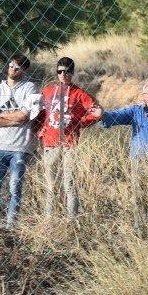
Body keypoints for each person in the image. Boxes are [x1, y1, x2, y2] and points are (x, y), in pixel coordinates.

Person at [90, 79, 148, 223]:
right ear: (143, 96)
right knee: (139, 196)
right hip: (139, 162)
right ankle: (140, 227)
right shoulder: (135, 111)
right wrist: (103, 115)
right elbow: (117, 116)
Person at [0, 55, 43, 229]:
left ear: (24, 71)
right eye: (11, 65)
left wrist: (0, 116)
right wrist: (14, 119)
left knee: (14, 189)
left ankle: (11, 227)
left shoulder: (30, 88)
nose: (12, 69)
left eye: (17, 68)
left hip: (20, 146)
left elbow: (25, 115)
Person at [38, 57, 99, 218]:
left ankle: (71, 220)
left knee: (69, 184)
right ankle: (49, 219)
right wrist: (39, 130)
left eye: (67, 71)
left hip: (69, 144)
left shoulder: (79, 93)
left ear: (72, 73)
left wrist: (79, 122)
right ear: (57, 72)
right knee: (51, 185)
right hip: (50, 143)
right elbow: (37, 113)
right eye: (60, 71)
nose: (63, 74)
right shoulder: (48, 91)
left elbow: (96, 112)